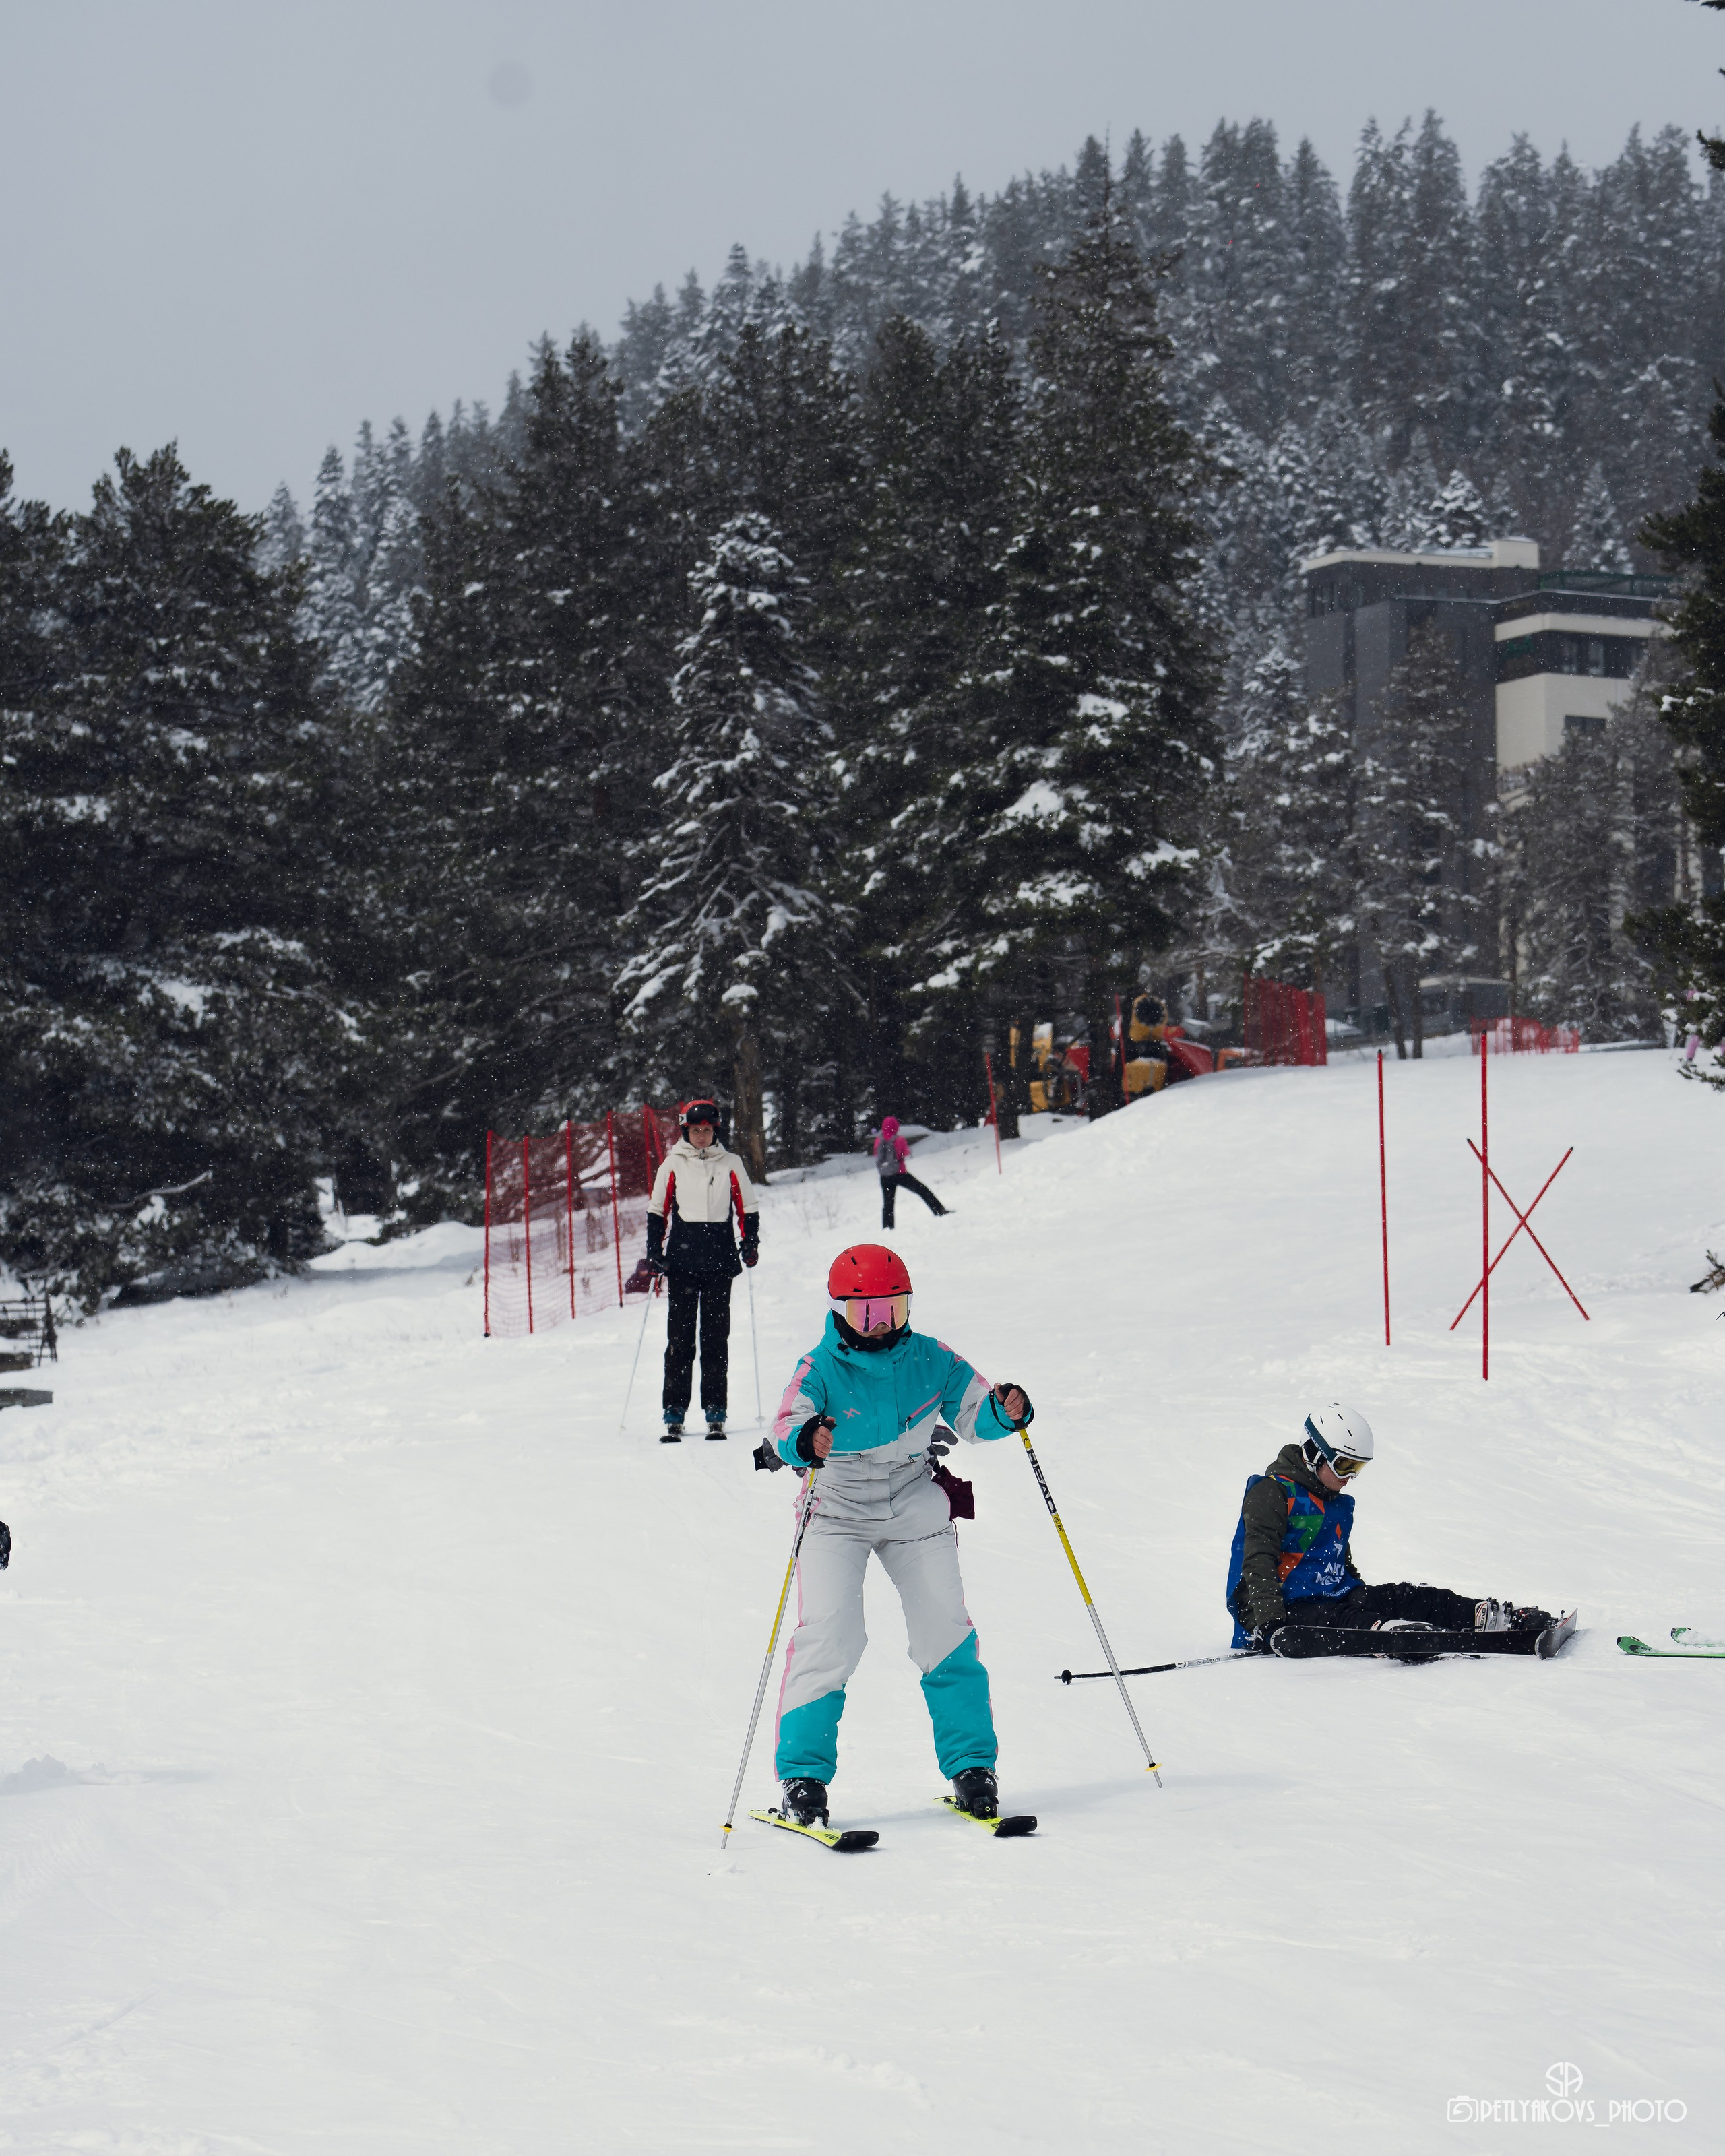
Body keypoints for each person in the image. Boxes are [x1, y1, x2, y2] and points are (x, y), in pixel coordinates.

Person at [767, 1244, 1030, 1825]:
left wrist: (1005, 1411)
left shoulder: (932, 1358)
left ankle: (972, 1767)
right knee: (832, 1635)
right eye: (867, 1314)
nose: (882, 1325)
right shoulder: (819, 1366)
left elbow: (975, 1414)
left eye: (895, 1310)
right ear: (840, 1311)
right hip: (836, 1505)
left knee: (945, 1630)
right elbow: (787, 1423)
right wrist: (805, 1439)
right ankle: (802, 1778)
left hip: (912, 1498)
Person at [1226, 1404, 1553, 1649]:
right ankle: (1394, 1635)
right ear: (1314, 1452)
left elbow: (1337, 1559)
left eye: (1357, 1468)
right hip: (1284, 1610)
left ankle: (1488, 1618)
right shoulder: (1273, 1492)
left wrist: (1362, 1595)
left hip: (1330, 1597)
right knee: (1346, 1620)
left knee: (1406, 1596)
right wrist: (1270, 1624)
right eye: (1344, 1465)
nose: (1349, 1477)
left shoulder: (1332, 1501)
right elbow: (1258, 1560)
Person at [645, 1098, 759, 1442]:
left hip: (719, 1261)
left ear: (715, 1132)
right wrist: (654, 1250)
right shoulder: (673, 1164)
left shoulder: (731, 1164)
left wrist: (750, 1242)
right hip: (682, 1262)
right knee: (680, 1340)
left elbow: (748, 1206)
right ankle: (674, 1411)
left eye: (708, 1131)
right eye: (696, 1130)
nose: (702, 1136)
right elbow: (658, 1209)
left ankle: (715, 1410)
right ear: (686, 1131)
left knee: (715, 1340)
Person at [873, 1115, 948, 1229]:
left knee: (888, 1203)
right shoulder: (900, 1140)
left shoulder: (878, 1140)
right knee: (922, 1190)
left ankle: (888, 1227)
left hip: (885, 1176)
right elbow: (906, 1153)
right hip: (900, 1174)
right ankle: (939, 1210)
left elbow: (876, 1155)